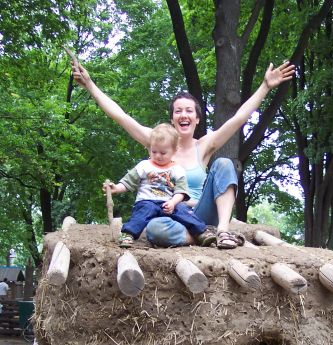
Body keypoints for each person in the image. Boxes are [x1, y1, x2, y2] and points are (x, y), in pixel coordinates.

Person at [72, 59, 295, 249]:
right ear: (172, 119)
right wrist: (90, 85)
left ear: (197, 119)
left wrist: (265, 86)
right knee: (155, 229)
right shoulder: (157, 142)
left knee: (225, 164)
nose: (183, 115)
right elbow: (121, 116)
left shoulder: (205, 145)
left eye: (189, 111)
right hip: (170, 216)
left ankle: (222, 231)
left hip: (200, 212)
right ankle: (199, 237)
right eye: (178, 111)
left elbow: (238, 119)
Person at [104, 123, 206, 247]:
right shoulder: (144, 166)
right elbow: (128, 182)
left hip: (169, 203)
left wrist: (173, 203)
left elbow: (181, 191)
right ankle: (128, 234)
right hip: (147, 201)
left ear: (174, 151)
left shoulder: (178, 169)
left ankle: (201, 233)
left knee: (183, 210)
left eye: (163, 153)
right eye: (154, 151)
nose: (158, 156)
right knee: (142, 213)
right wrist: (116, 188)